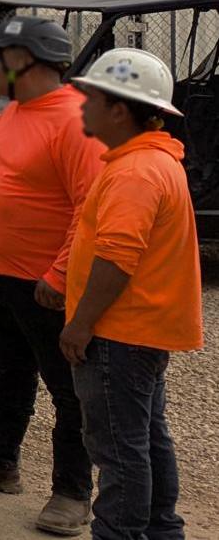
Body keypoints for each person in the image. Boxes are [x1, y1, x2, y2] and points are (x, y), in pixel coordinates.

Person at [0, 16, 103, 538]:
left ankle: (73, 492)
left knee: (68, 391)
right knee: (11, 374)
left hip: (46, 285)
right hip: (1, 273)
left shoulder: (77, 120)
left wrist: (58, 275)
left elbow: (89, 209)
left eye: (2, 56)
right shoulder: (15, 113)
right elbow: (2, 185)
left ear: (30, 60)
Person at [62, 48, 203, 540]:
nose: (81, 107)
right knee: (145, 437)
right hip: (140, 330)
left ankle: (121, 533)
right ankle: (162, 530)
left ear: (119, 109)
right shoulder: (152, 162)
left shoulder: (135, 172)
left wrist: (80, 324)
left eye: (91, 99)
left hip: (118, 332)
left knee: (119, 448)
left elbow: (119, 257)